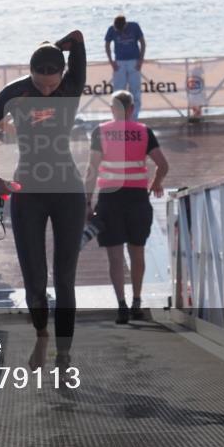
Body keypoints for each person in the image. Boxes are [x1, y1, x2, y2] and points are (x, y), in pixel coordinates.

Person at [0, 30, 86, 369]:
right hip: (28, 192)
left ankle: (64, 353)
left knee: (64, 278)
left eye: (52, 84)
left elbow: (78, 38)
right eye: (40, 84)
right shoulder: (15, 92)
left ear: (62, 75)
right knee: (35, 277)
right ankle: (41, 335)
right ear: (30, 73)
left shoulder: (72, 85)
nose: (46, 91)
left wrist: (54, 47)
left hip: (67, 190)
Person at [84, 91, 169, 324]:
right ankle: (137, 302)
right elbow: (163, 165)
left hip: (110, 199)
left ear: (113, 109)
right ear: (131, 109)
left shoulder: (100, 131)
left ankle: (121, 305)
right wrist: (156, 184)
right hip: (137, 198)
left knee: (115, 256)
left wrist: (87, 202)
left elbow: (92, 169)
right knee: (137, 252)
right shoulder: (144, 132)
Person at [104, 15, 145, 113]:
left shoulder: (134, 26)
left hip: (134, 61)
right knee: (118, 91)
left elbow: (142, 43)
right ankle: (119, 116)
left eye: (121, 29)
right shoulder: (111, 29)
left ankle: (134, 117)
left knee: (135, 91)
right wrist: (111, 61)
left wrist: (140, 60)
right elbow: (107, 44)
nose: (120, 32)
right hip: (119, 63)